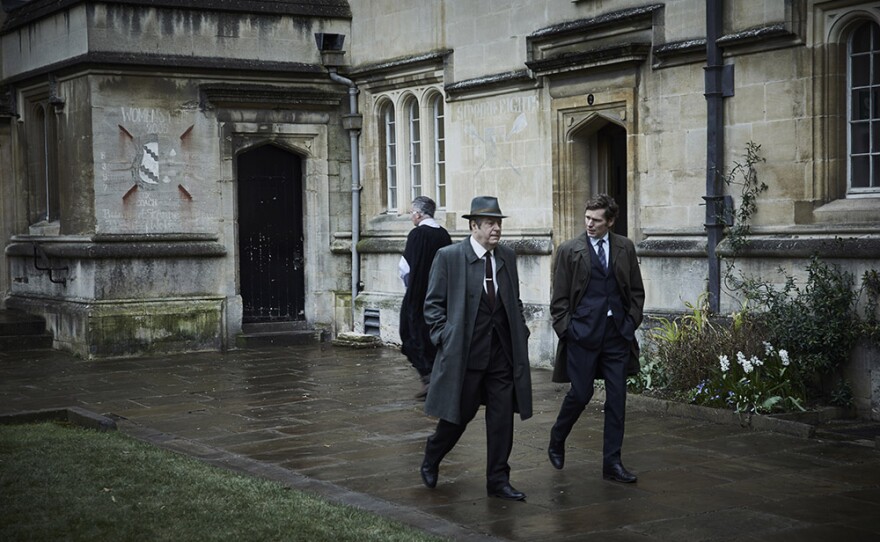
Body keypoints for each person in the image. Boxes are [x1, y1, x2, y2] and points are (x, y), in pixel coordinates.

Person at [419, 196, 533, 501]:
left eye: (499, 223)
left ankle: (498, 480)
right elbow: (432, 306)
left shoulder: (506, 257)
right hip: (465, 356)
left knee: (501, 420)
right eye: (490, 224)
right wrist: (446, 336)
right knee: (458, 417)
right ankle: (433, 454)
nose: (496, 229)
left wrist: (521, 331)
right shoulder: (449, 256)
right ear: (474, 226)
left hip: (502, 355)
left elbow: (515, 301)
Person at [548, 193, 645, 483]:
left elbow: (636, 292)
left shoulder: (624, 247)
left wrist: (629, 324)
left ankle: (612, 464)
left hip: (616, 337)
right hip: (582, 336)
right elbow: (559, 299)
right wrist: (568, 330)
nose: (590, 224)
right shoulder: (569, 250)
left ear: (610, 222)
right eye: (587, 218)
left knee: (617, 399)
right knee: (581, 393)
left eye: (597, 220)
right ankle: (557, 436)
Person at [399, 196, 452, 399]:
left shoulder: (417, 234)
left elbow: (405, 268)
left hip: (418, 294)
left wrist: (410, 288)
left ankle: (429, 377)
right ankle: (435, 377)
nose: (412, 216)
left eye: (412, 213)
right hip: (440, 294)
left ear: (419, 214)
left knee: (411, 334)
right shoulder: (444, 235)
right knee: (434, 335)